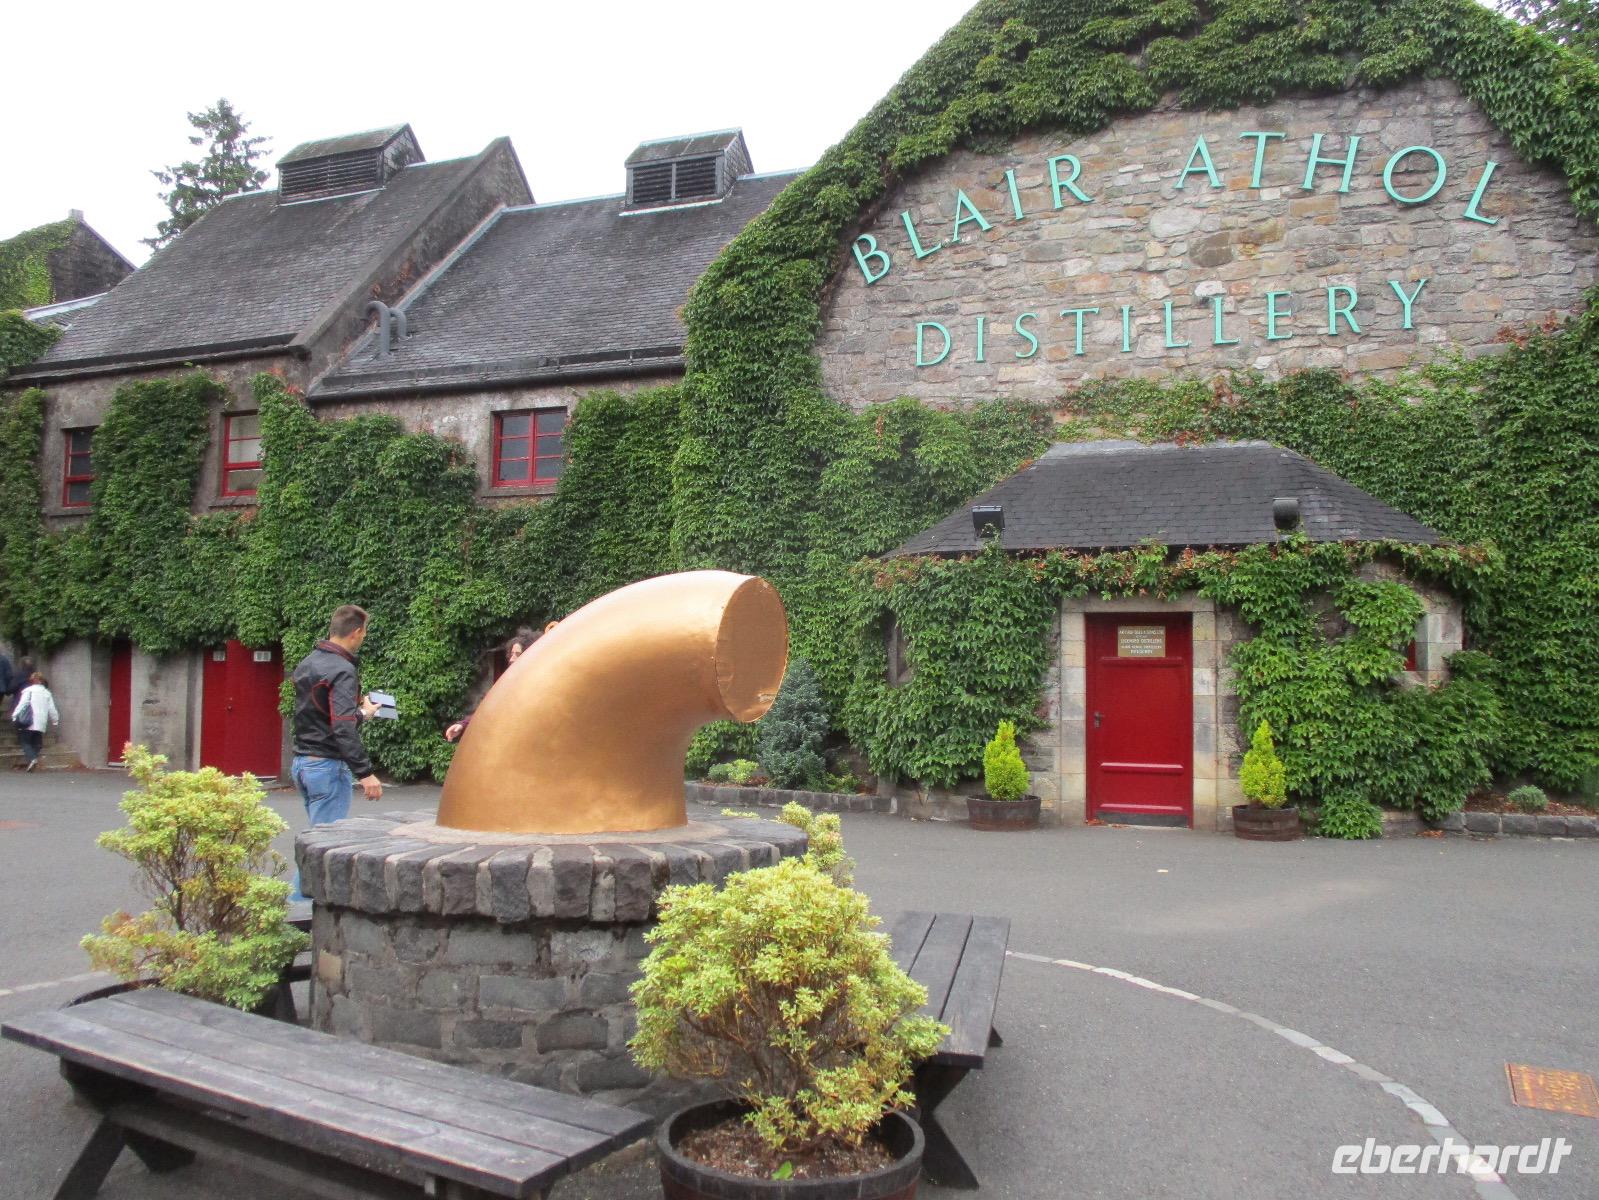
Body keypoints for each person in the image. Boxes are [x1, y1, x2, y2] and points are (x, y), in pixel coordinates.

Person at [289, 606, 383, 898]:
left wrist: (361, 713)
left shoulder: (309, 662)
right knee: (323, 849)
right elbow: (341, 728)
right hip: (327, 766)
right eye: (364, 632)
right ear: (356, 632)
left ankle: (297, 907)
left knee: (317, 842)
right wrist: (366, 773)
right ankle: (297, 910)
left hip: (303, 763)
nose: (364, 637)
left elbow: (321, 715)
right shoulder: (343, 669)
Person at [444, 627, 537, 743]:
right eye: (511, 654)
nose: (512, 659)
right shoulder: (505, 686)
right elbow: (487, 711)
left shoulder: (539, 685)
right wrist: (462, 725)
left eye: (518, 654)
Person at [12, 672, 60, 772]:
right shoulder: (47, 693)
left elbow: (22, 704)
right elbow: (52, 708)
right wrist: (55, 720)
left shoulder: (28, 691)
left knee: (25, 742)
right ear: (42, 681)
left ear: (32, 680)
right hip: (41, 722)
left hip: (28, 721)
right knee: (37, 744)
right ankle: (32, 759)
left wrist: (15, 715)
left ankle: (32, 758)